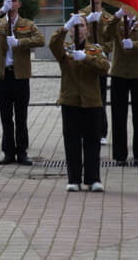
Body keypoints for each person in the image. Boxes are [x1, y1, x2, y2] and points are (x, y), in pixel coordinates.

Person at [0, 0, 45, 165]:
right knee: (5, 116)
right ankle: (8, 152)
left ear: (20, 4)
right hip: (3, 74)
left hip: (20, 75)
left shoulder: (27, 24)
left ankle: (22, 151)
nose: (11, 4)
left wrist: (20, 43)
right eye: (8, 1)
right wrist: (0, 10)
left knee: (21, 116)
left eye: (14, 1)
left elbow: (40, 40)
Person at [50, 14, 109, 192]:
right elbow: (53, 45)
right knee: (72, 141)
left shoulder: (95, 49)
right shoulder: (65, 49)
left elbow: (105, 67)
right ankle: (74, 178)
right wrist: (66, 25)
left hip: (92, 101)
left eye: (82, 25)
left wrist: (86, 58)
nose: (79, 29)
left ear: (87, 30)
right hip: (71, 100)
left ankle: (93, 179)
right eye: (76, 26)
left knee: (92, 141)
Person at [104, 6, 138, 166]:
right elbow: (106, 34)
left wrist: (134, 44)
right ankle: (120, 155)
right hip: (119, 73)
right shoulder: (117, 22)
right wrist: (116, 16)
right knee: (119, 115)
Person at [79, 0, 112, 146]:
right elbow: (75, 35)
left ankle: (101, 131)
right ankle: (85, 129)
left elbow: (113, 39)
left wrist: (102, 49)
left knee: (100, 97)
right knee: (84, 96)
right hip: (84, 61)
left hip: (100, 61)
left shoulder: (109, 18)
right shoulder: (81, 14)